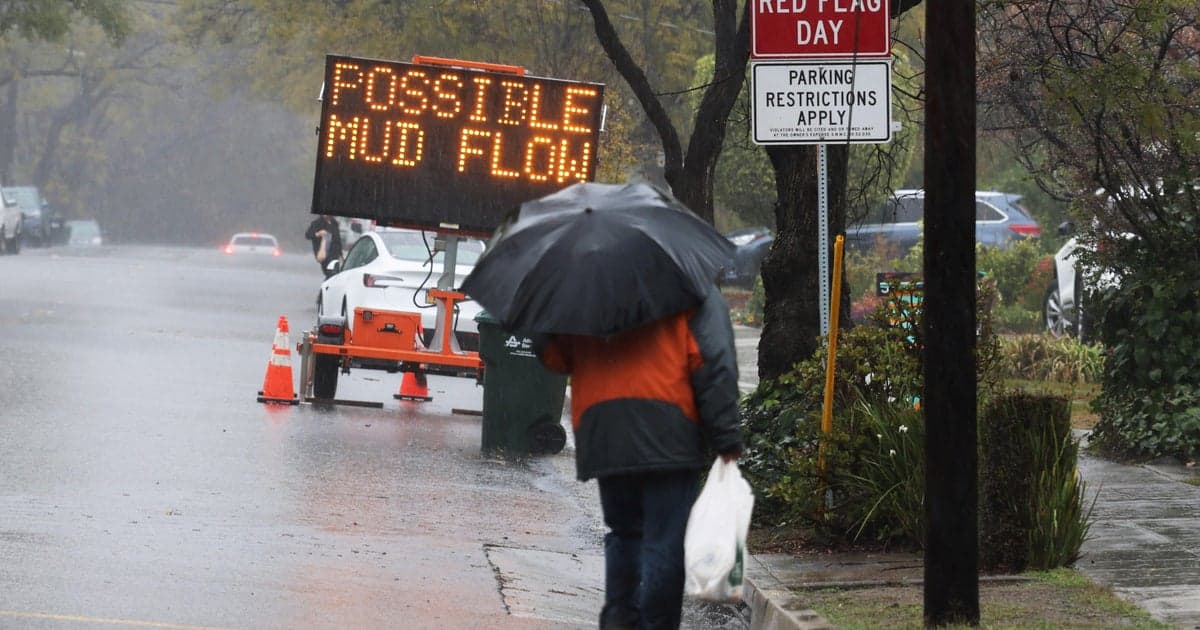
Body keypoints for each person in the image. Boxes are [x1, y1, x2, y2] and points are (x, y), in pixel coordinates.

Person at [538, 283, 743, 630]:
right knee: (665, 540)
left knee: (624, 532)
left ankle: (620, 619)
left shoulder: (589, 286)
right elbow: (713, 362)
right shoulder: (692, 288)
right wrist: (726, 436)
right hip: (669, 430)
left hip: (605, 428)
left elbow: (556, 356)